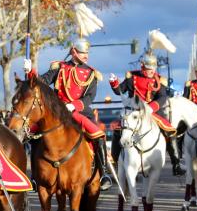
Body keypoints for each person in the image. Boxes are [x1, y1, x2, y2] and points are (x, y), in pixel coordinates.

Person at [24, 37, 112, 190]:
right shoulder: (60, 68)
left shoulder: (92, 74)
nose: (86, 55)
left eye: (86, 53)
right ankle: (34, 177)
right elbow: (41, 82)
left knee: (98, 135)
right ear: (73, 52)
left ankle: (103, 172)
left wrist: (74, 105)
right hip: (58, 111)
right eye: (82, 52)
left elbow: (89, 97)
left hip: (80, 110)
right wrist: (30, 70)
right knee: (32, 135)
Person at [109, 52, 185, 175]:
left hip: (152, 112)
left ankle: (176, 164)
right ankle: (115, 161)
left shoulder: (159, 80)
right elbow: (120, 91)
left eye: (153, 69)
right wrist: (114, 83)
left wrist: (150, 108)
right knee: (118, 130)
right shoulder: (132, 78)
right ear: (142, 66)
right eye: (149, 69)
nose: (151, 71)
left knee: (170, 131)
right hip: (134, 112)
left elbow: (162, 97)